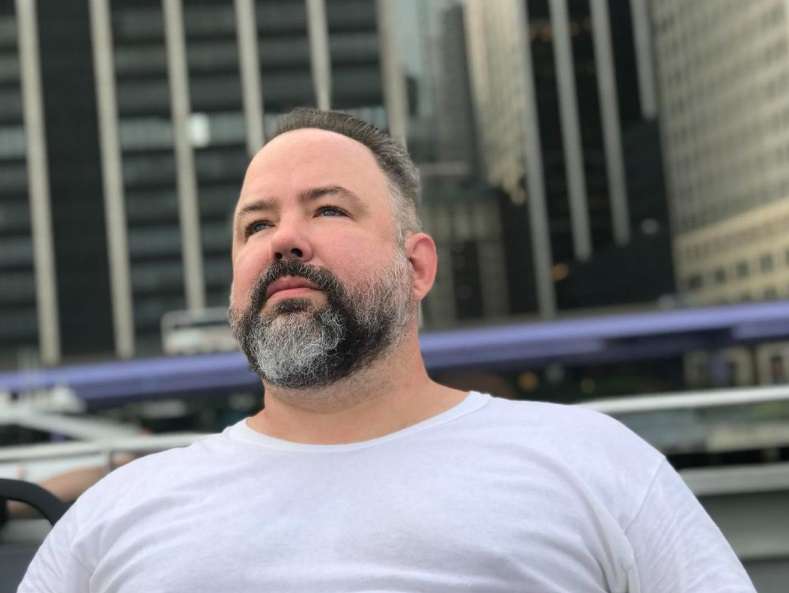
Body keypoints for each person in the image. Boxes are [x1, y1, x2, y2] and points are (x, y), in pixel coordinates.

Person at [18, 108, 755, 593]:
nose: (284, 239)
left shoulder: (595, 464)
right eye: (255, 226)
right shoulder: (117, 516)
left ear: (417, 266)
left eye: (328, 208)